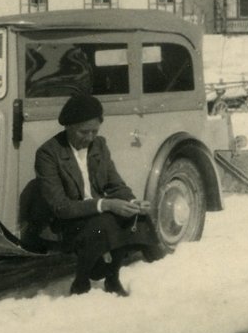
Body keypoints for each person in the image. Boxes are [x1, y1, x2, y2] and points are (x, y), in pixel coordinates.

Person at [35, 94, 160, 296]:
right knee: (107, 221)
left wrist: (133, 202)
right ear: (68, 126)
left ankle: (112, 279)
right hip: (67, 221)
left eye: (95, 131)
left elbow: (115, 184)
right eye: (84, 132)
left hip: (97, 214)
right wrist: (107, 205)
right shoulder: (49, 153)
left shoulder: (99, 145)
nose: (90, 137)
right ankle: (81, 281)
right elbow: (61, 207)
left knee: (133, 216)